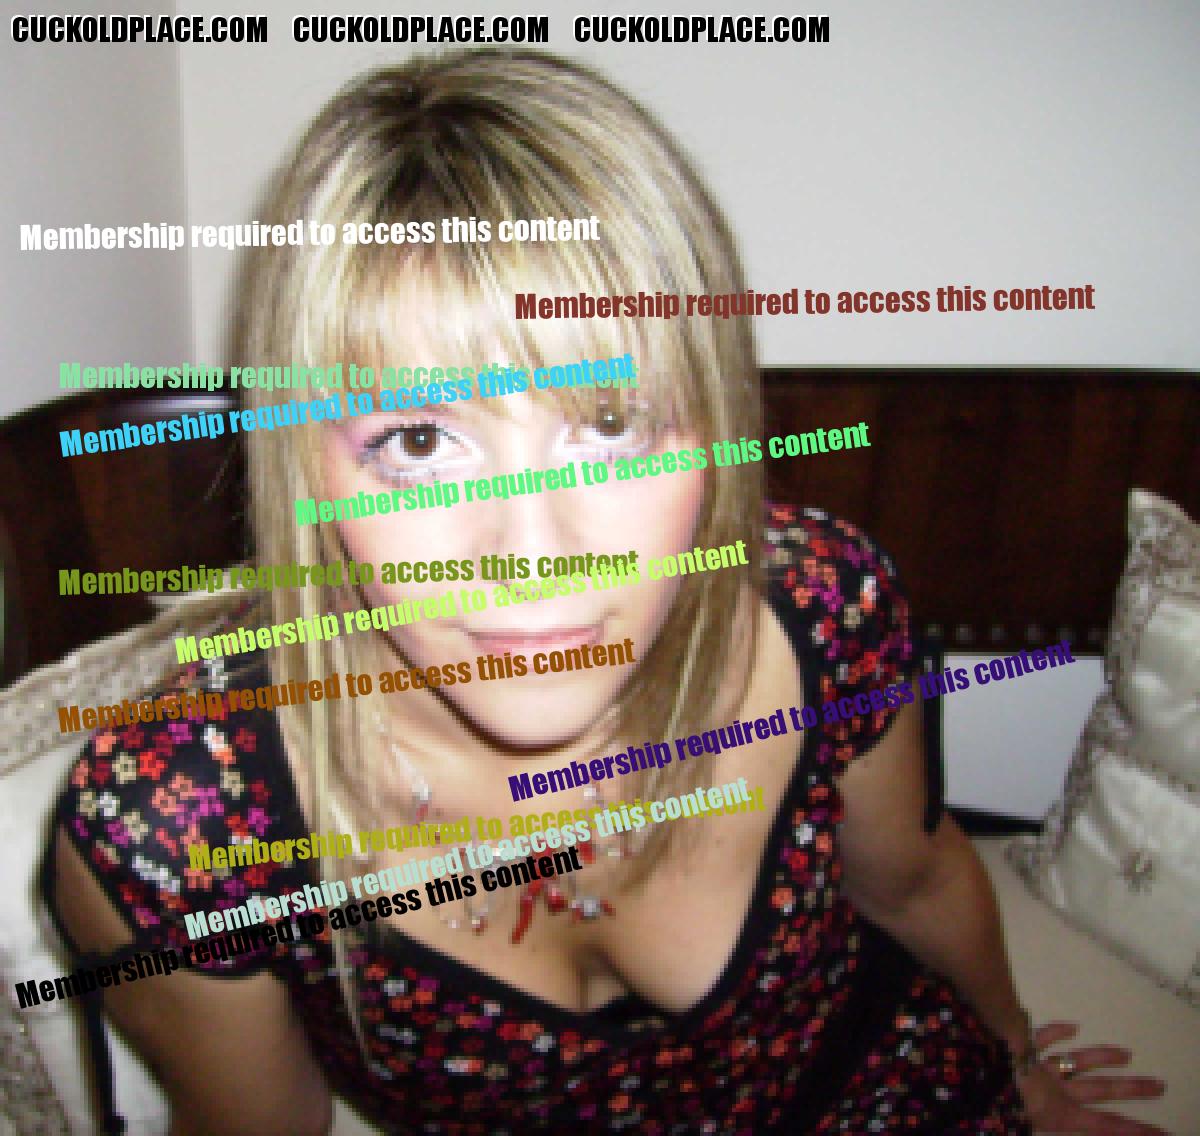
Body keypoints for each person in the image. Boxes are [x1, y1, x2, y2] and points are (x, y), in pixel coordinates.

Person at [44, 50, 1165, 1136]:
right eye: (420, 440)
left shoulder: (824, 610)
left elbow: (916, 884)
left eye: (614, 422)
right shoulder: (176, 825)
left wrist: (1021, 1068)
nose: (535, 552)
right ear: (301, 469)